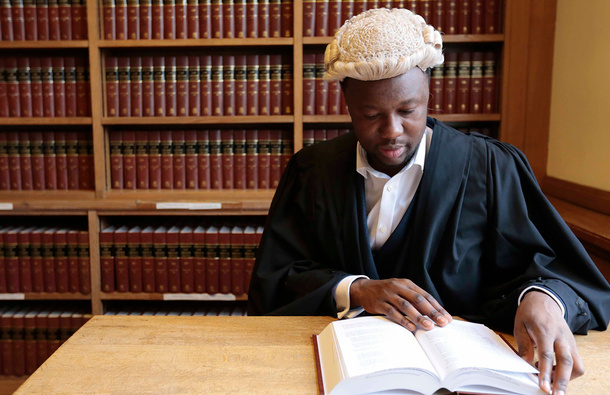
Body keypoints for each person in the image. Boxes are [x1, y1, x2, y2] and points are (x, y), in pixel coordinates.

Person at [247, 8, 610, 395]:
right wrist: (355, 289)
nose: (392, 132)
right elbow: (277, 279)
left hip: (465, 382)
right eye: (371, 115)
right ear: (347, 104)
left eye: (408, 110)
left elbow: (553, 268)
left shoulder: (491, 167)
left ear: (428, 95)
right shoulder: (312, 172)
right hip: (342, 376)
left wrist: (543, 298)